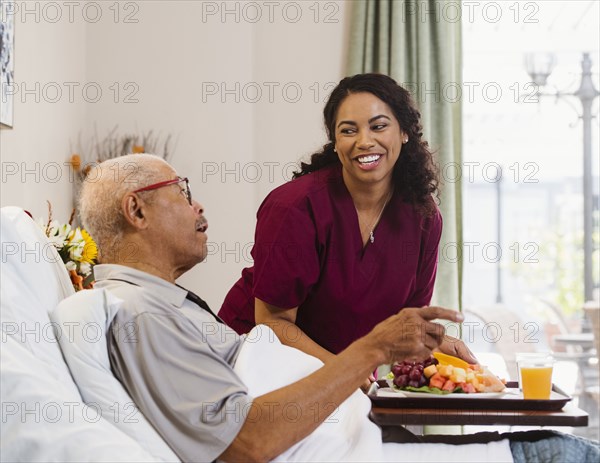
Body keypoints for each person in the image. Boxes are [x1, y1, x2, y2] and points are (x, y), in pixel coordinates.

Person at [79, 154, 599, 463]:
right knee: (559, 451)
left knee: (541, 441)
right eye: (183, 191)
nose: (199, 205)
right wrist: (370, 350)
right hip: (337, 442)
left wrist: (402, 351)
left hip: (353, 429)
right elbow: (247, 441)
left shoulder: (164, 307)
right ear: (136, 209)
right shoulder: (140, 315)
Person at [219, 74, 451, 376]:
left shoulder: (423, 218)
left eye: (378, 126)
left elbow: (406, 324)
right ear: (336, 141)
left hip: (338, 372)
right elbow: (273, 324)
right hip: (251, 360)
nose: (364, 141)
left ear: (404, 132)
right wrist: (345, 371)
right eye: (348, 130)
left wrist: (438, 346)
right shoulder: (294, 207)